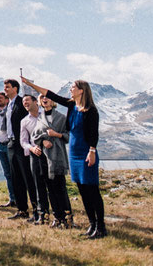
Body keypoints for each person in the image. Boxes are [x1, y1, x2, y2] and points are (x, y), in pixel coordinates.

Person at [22, 76, 107, 238]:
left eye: (73, 87)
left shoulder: (91, 110)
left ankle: (101, 227)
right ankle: (92, 225)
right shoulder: (71, 105)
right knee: (82, 190)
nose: (70, 89)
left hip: (85, 151)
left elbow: (93, 133)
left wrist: (92, 151)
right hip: (73, 152)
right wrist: (30, 84)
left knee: (92, 190)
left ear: (81, 90)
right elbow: (51, 94)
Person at [36, 93, 72, 228]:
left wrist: (56, 135)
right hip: (45, 157)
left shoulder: (61, 118)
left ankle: (67, 217)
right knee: (50, 188)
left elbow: (68, 136)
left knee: (60, 186)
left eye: (47, 98)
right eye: (42, 98)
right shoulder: (40, 118)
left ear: (53, 101)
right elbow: (35, 136)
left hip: (58, 156)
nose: (45, 100)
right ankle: (57, 216)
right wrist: (43, 140)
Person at [2, 78, 32, 221]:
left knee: (27, 176)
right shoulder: (8, 105)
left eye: (7, 87)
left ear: (15, 88)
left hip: (21, 144)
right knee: (16, 178)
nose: (5, 89)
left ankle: (38, 210)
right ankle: (22, 209)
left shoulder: (21, 103)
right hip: (11, 143)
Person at [19, 94, 49, 224]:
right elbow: (23, 141)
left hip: (49, 152)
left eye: (27, 101)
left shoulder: (46, 115)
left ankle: (61, 214)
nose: (25, 103)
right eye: (23, 102)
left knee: (53, 184)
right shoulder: (24, 121)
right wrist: (31, 148)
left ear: (35, 102)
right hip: (34, 154)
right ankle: (42, 214)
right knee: (38, 185)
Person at [0, 91, 17, 207]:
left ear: (7, 100)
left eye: (1, 98)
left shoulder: (9, 111)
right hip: (0, 145)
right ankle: (12, 198)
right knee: (7, 173)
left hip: (9, 143)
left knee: (14, 172)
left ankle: (18, 198)